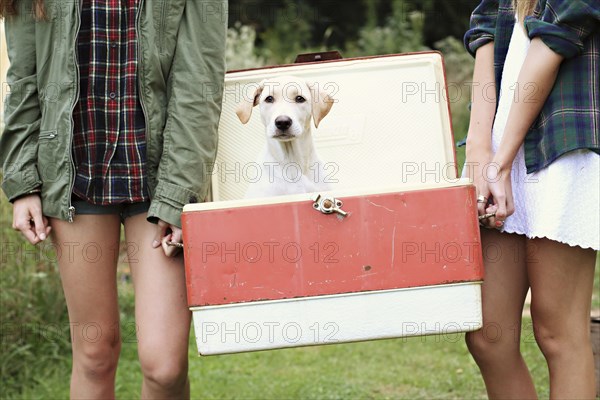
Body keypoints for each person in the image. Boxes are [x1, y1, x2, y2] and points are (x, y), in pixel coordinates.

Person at [0, 0, 227, 398]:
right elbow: (23, 82)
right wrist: (22, 184)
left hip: (160, 178)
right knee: (94, 356)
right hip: (75, 177)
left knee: (165, 366)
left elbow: (199, 84)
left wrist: (180, 193)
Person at [463, 0, 599, 398]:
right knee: (489, 335)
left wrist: (500, 162)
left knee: (557, 331)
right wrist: (478, 153)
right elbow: (485, 32)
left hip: (561, 148)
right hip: (498, 153)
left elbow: (552, 45)